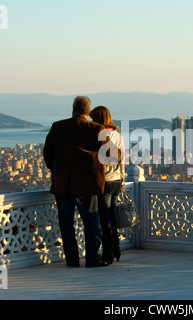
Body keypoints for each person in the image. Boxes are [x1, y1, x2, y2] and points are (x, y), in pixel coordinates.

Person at [43, 96, 109, 268]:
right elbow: (110, 156)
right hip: (88, 184)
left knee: (66, 224)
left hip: (63, 184)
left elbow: (47, 154)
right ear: (88, 112)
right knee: (91, 223)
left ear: (73, 109)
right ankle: (92, 259)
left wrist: (57, 170)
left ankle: (72, 260)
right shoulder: (97, 129)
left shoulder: (58, 127)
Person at [90, 106, 126, 264]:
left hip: (105, 181)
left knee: (105, 220)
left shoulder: (100, 135)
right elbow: (123, 158)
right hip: (117, 180)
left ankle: (108, 253)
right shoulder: (118, 135)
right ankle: (116, 248)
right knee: (111, 217)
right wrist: (122, 179)